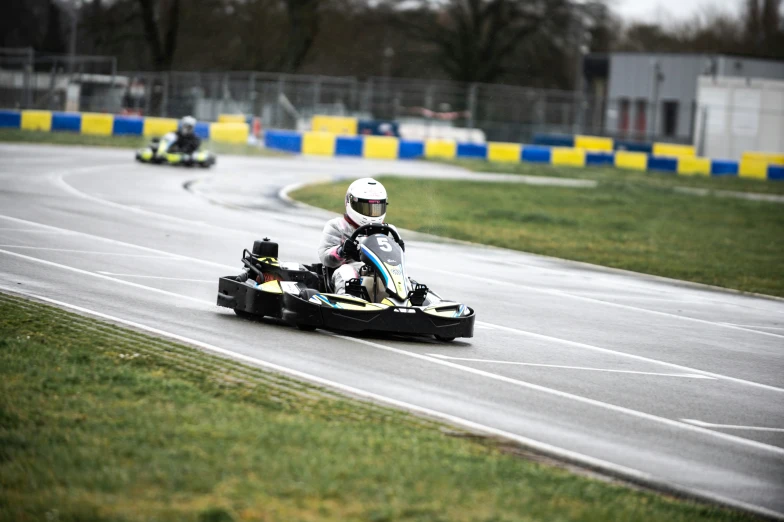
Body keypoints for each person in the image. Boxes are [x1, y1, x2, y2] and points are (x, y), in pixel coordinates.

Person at [317, 178, 395, 297]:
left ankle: (409, 304)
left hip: (381, 273)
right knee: (346, 272)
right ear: (351, 202)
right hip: (347, 271)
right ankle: (349, 302)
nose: (372, 214)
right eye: (365, 207)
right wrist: (342, 251)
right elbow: (325, 258)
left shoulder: (389, 231)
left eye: (376, 208)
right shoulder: (337, 226)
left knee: (405, 280)